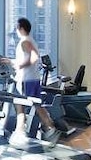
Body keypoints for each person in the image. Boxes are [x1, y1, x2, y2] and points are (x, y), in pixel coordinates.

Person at [8, 17, 61, 146]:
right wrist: (11, 62)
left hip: (26, 80)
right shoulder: (30, 40)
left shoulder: (24, 41)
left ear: (21, 28)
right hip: (33, 78)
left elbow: (34, 57)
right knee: (37, 105)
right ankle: (50, 128)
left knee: (19, 105)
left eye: (17, 28)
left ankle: (20, 132)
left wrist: (21, 65)